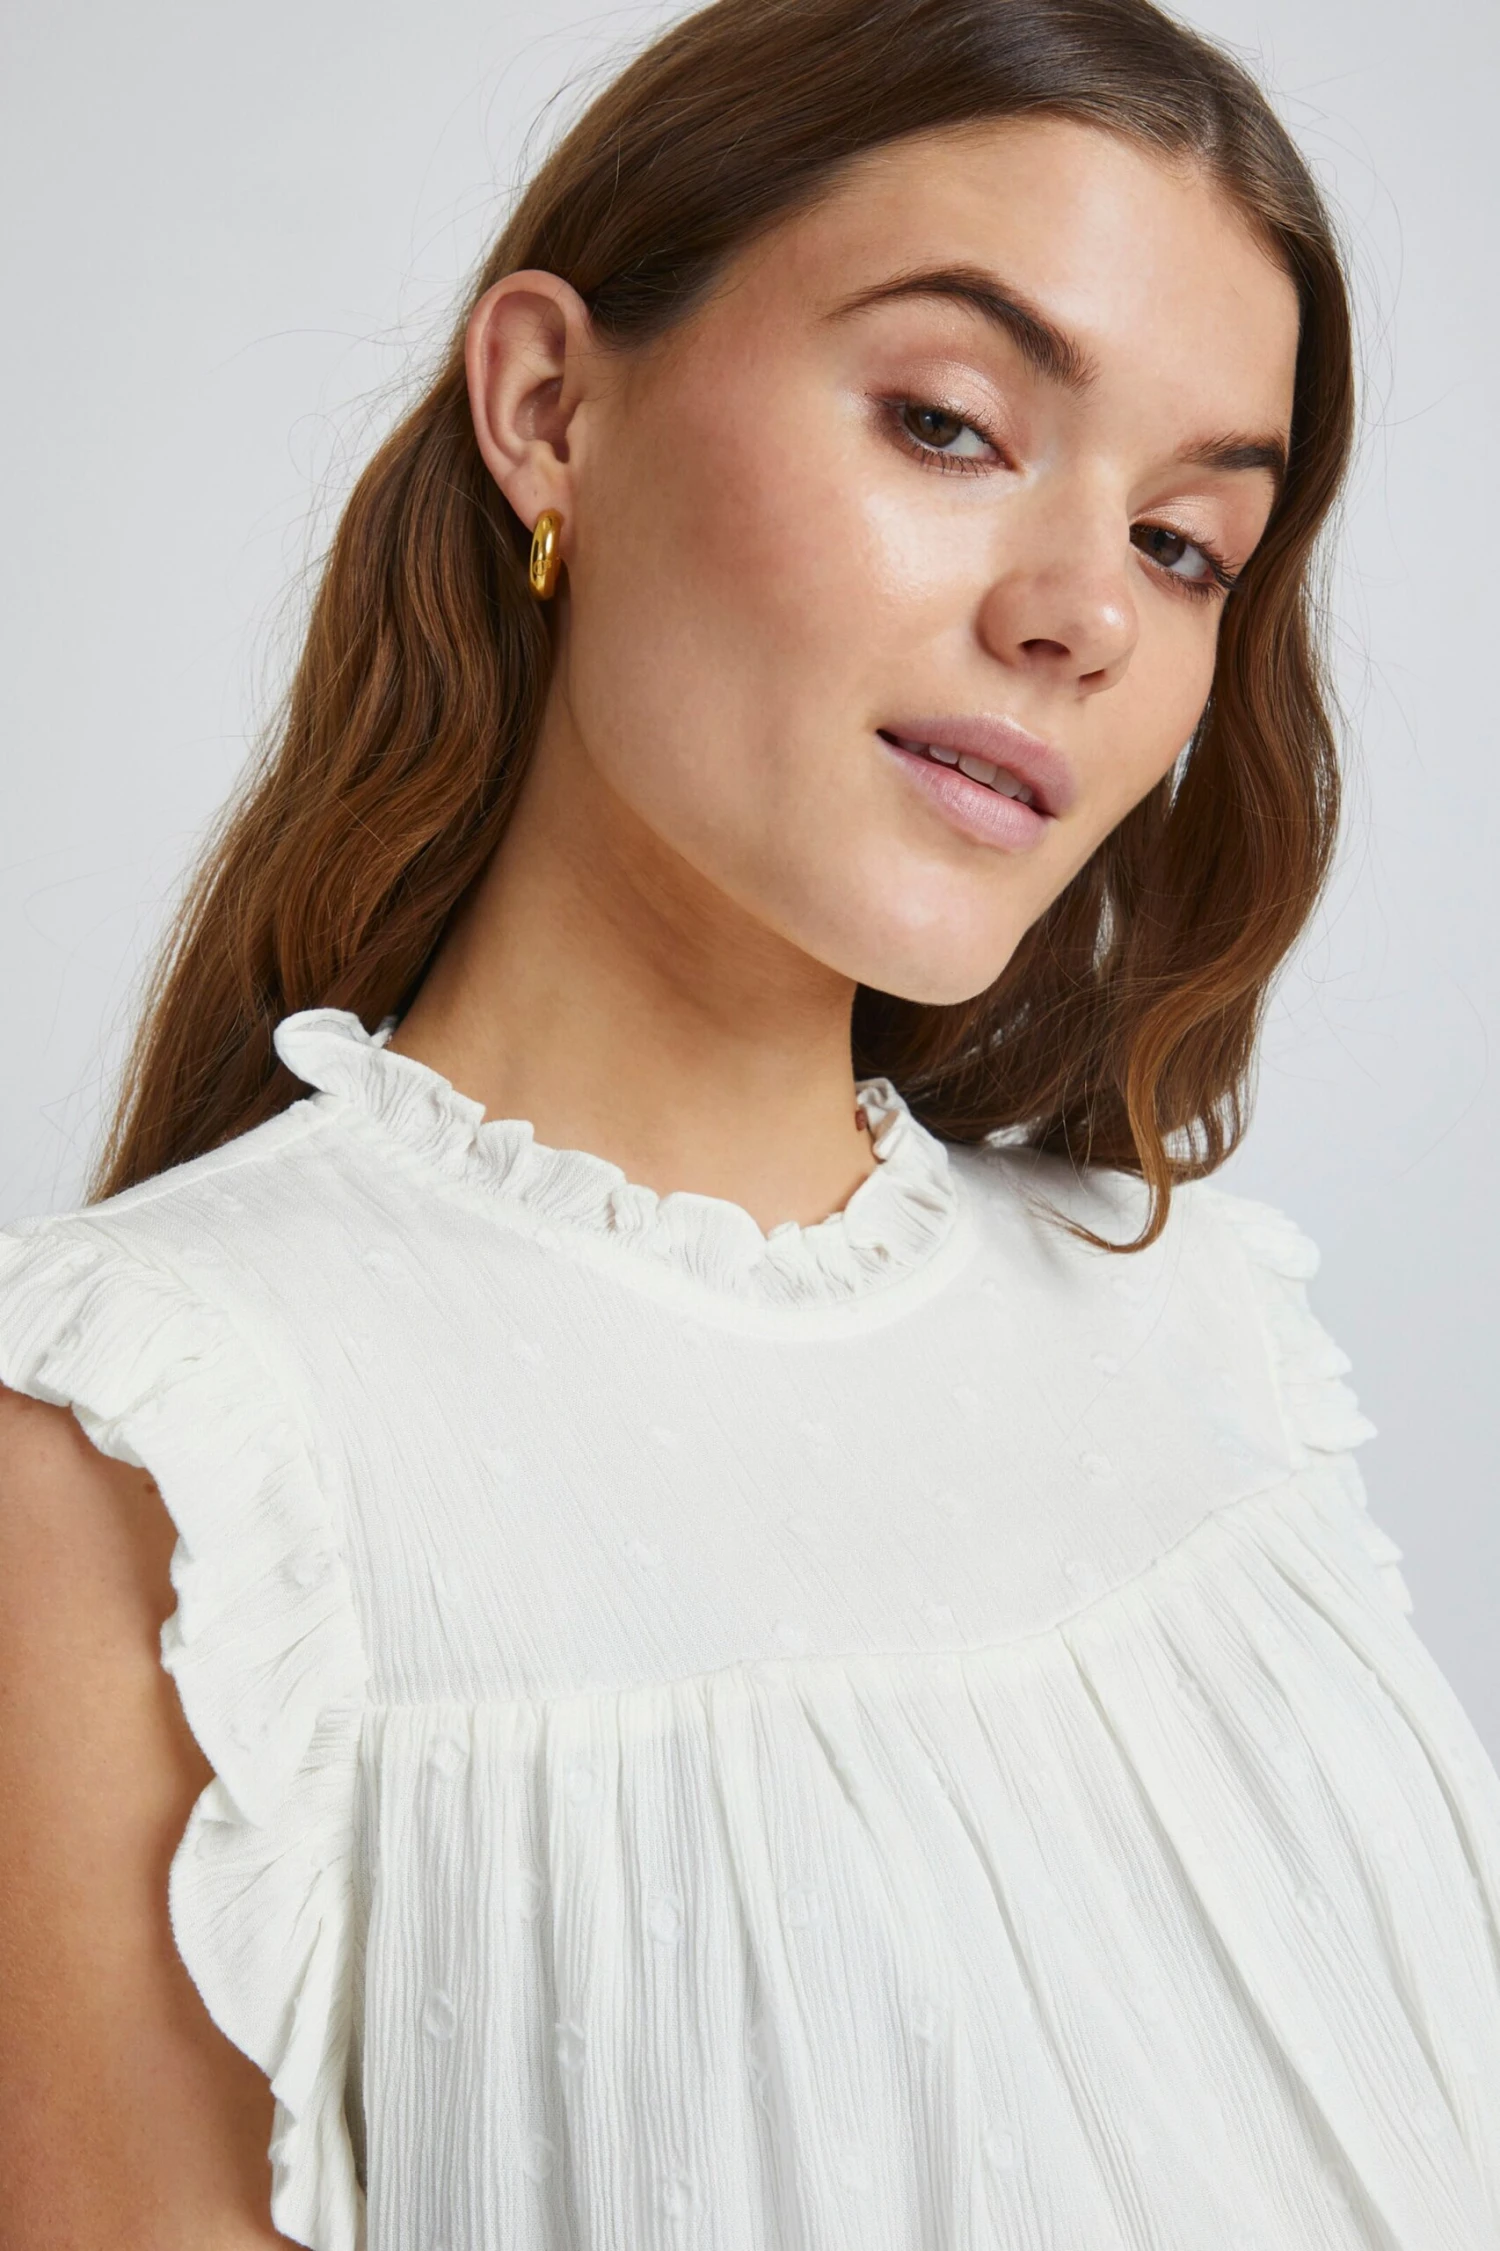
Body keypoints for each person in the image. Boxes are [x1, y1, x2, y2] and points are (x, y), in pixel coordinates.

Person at [3, 0, 1497, 2243]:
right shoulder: (163, 1458)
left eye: (1189, 542)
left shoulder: (1199, 1332)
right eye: (948, 423)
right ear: (550, 407)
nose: (1084, 612)